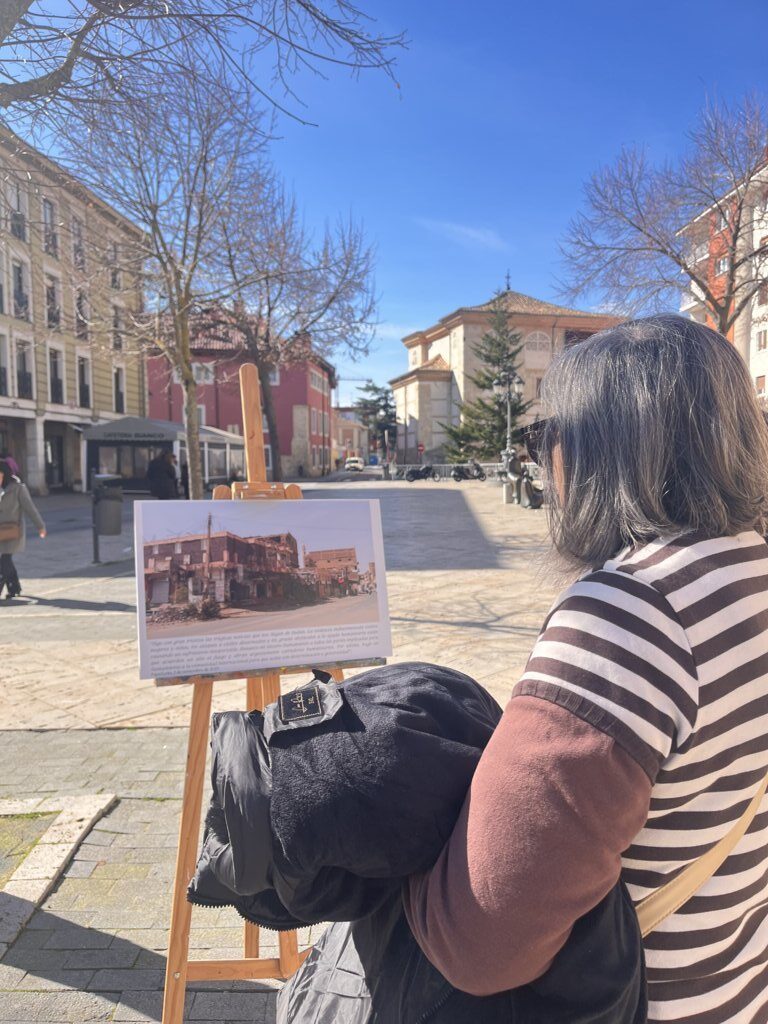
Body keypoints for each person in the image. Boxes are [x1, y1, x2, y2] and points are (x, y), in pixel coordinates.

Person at [403, 315, 768, 1023]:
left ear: (595, 447)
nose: (541, 459)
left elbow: (481, 941)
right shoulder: (747, 567)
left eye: (544, 435)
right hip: (736, 986)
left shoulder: (630, 614)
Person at [0, 459, 46, 599]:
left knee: (4, 561)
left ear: (5, 474)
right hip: (0, 532)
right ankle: (15, 588)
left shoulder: (18, 488)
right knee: (6, 560)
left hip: (13, 531)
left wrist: (40, 526)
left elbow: (30, 508)